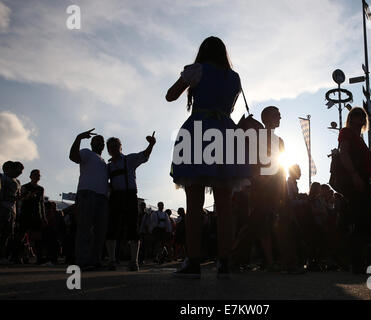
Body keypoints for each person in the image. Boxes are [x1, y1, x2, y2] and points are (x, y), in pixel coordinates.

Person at [166, 36, 250, 279]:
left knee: (194, 201)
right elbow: (231, 107)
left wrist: (189, 80)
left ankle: (193, 260)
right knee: (225, 204)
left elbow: (170, 96)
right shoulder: (234, 77)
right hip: (225, 132)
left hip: (199, 130)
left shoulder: (197, 70)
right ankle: (225, 261)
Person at [105, 134, 156, 271]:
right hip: (115, 197)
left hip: (130, 196)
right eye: (111, 147)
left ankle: (134, 262)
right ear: (108, 150)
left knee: (132, 228)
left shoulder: (130, 160)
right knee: (112, 228)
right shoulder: (108, 166)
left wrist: (151, 144)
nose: (114, 148)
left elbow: (144, 155)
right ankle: (111, 260)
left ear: (121, 147)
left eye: (116, 146)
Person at [338, 107, 371, 274]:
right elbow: (343, 153)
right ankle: (355, 262)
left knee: (364, 220)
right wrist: (354, 175)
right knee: (359, 219)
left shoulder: (360, 140)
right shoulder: (346, 133)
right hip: (355, 180)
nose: (360, 118)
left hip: (364, 181)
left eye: (362, 115)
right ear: (350, 118)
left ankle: (359, 260)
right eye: (356, 115)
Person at [69, 129, 109, 271]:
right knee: (84, 229)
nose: (100, 144)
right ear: (92, 143)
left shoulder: (104, 162)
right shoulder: (86, 153)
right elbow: (73, 157)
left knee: (100, 231)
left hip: (102, 198)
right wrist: (78, 138)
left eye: (102, 142)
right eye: (97, 141)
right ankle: (82, 261)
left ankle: (95, 260)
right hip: (87, 194)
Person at [19, 169, 47, 264]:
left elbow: (42, 203)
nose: (37, 176)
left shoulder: (41, 189)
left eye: (38, 175)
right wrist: (28, 196)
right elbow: (21, 199)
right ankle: (19, 257)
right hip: (26, 213)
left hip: (37, 214)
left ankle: (39, 258)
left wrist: (43, 216)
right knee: (21, 236)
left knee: (37, 237)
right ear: (30, 176)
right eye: (35, 175)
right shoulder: (25, 187)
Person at [0, 161, 23, 264]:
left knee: (8, 233)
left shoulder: (18, 182)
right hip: (3, 207)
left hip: (12, 210)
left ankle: (3, 256)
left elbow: (18, 198)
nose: (20, 173)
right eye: (18, 170)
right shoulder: (2, 178)